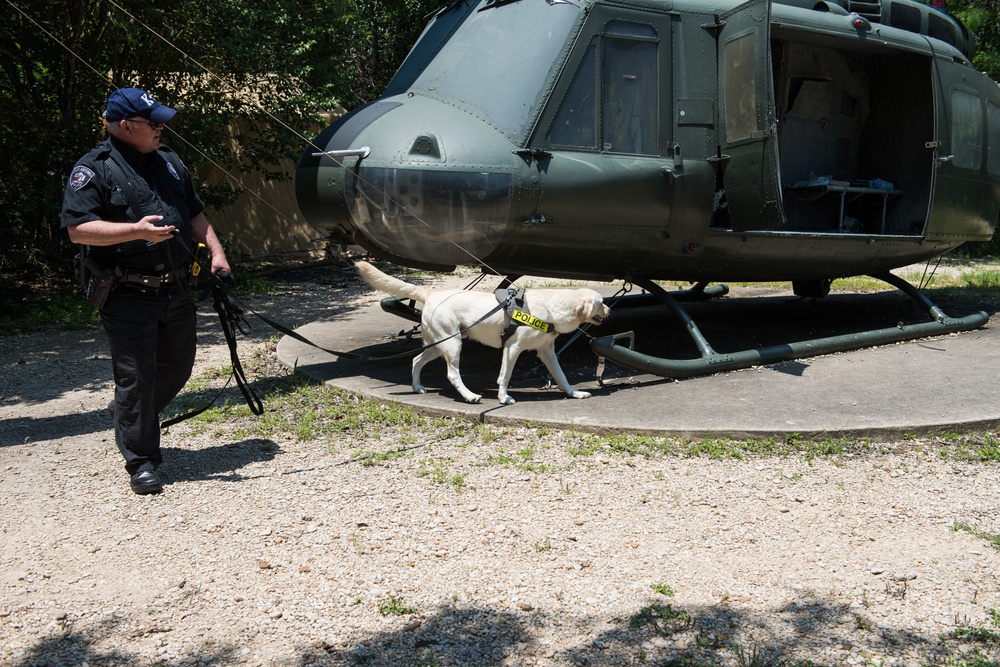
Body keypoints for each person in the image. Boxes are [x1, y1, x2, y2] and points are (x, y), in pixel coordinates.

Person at [61, 87, 231, 495]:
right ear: (126, 126)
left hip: (175, 288)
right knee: (137, 377)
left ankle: (132, 421)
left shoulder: (169, 161)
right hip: (127, 293)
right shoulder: (94, 169)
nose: (161, 128)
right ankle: (141, 460)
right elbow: (77, 229)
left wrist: (217, 252)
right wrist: (134, 231)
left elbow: (194, 213)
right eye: (153, 123)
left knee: (179, 365)